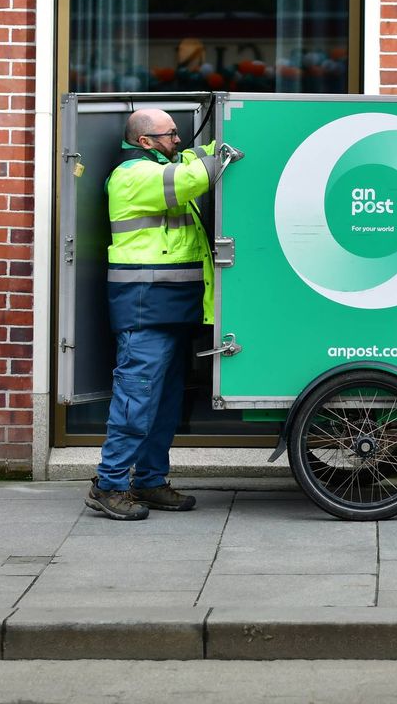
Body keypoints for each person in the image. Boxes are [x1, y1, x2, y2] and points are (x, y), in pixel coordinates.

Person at [86, 108, 239, 521]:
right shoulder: (134, 176)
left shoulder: (161, 169)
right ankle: (110, 484)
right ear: (144, 141)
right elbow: (191, 177)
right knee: (136, 401)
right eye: (170, 134)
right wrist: (223, 153)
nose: (178, 140)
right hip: (144, 309)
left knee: (165, 405)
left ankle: (150, 482)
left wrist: (212, 146)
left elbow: (189, 164)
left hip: (170, 309)